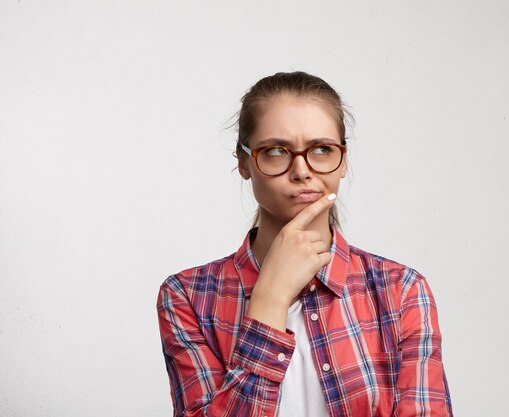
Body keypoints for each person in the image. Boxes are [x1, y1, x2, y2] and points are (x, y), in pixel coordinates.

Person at [157, 71, 453, 417]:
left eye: (322, 149)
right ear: (244, 162)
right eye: (277, 151)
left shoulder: (400, 290)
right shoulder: (187, 296)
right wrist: (271, 297)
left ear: (342, 160)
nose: (302, 170)